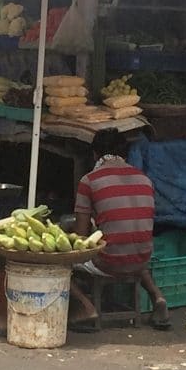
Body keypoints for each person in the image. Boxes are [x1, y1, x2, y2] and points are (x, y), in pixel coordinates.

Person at [70, 130, 170, 329]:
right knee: (131, 250)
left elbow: (80, 239)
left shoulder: (89, 180)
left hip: (109, 261)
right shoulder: (144, 179)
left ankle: (86, 307)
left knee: (58, 264)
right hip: (143, 256)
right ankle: (158, 296)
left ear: (95, 155)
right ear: (125, 154)